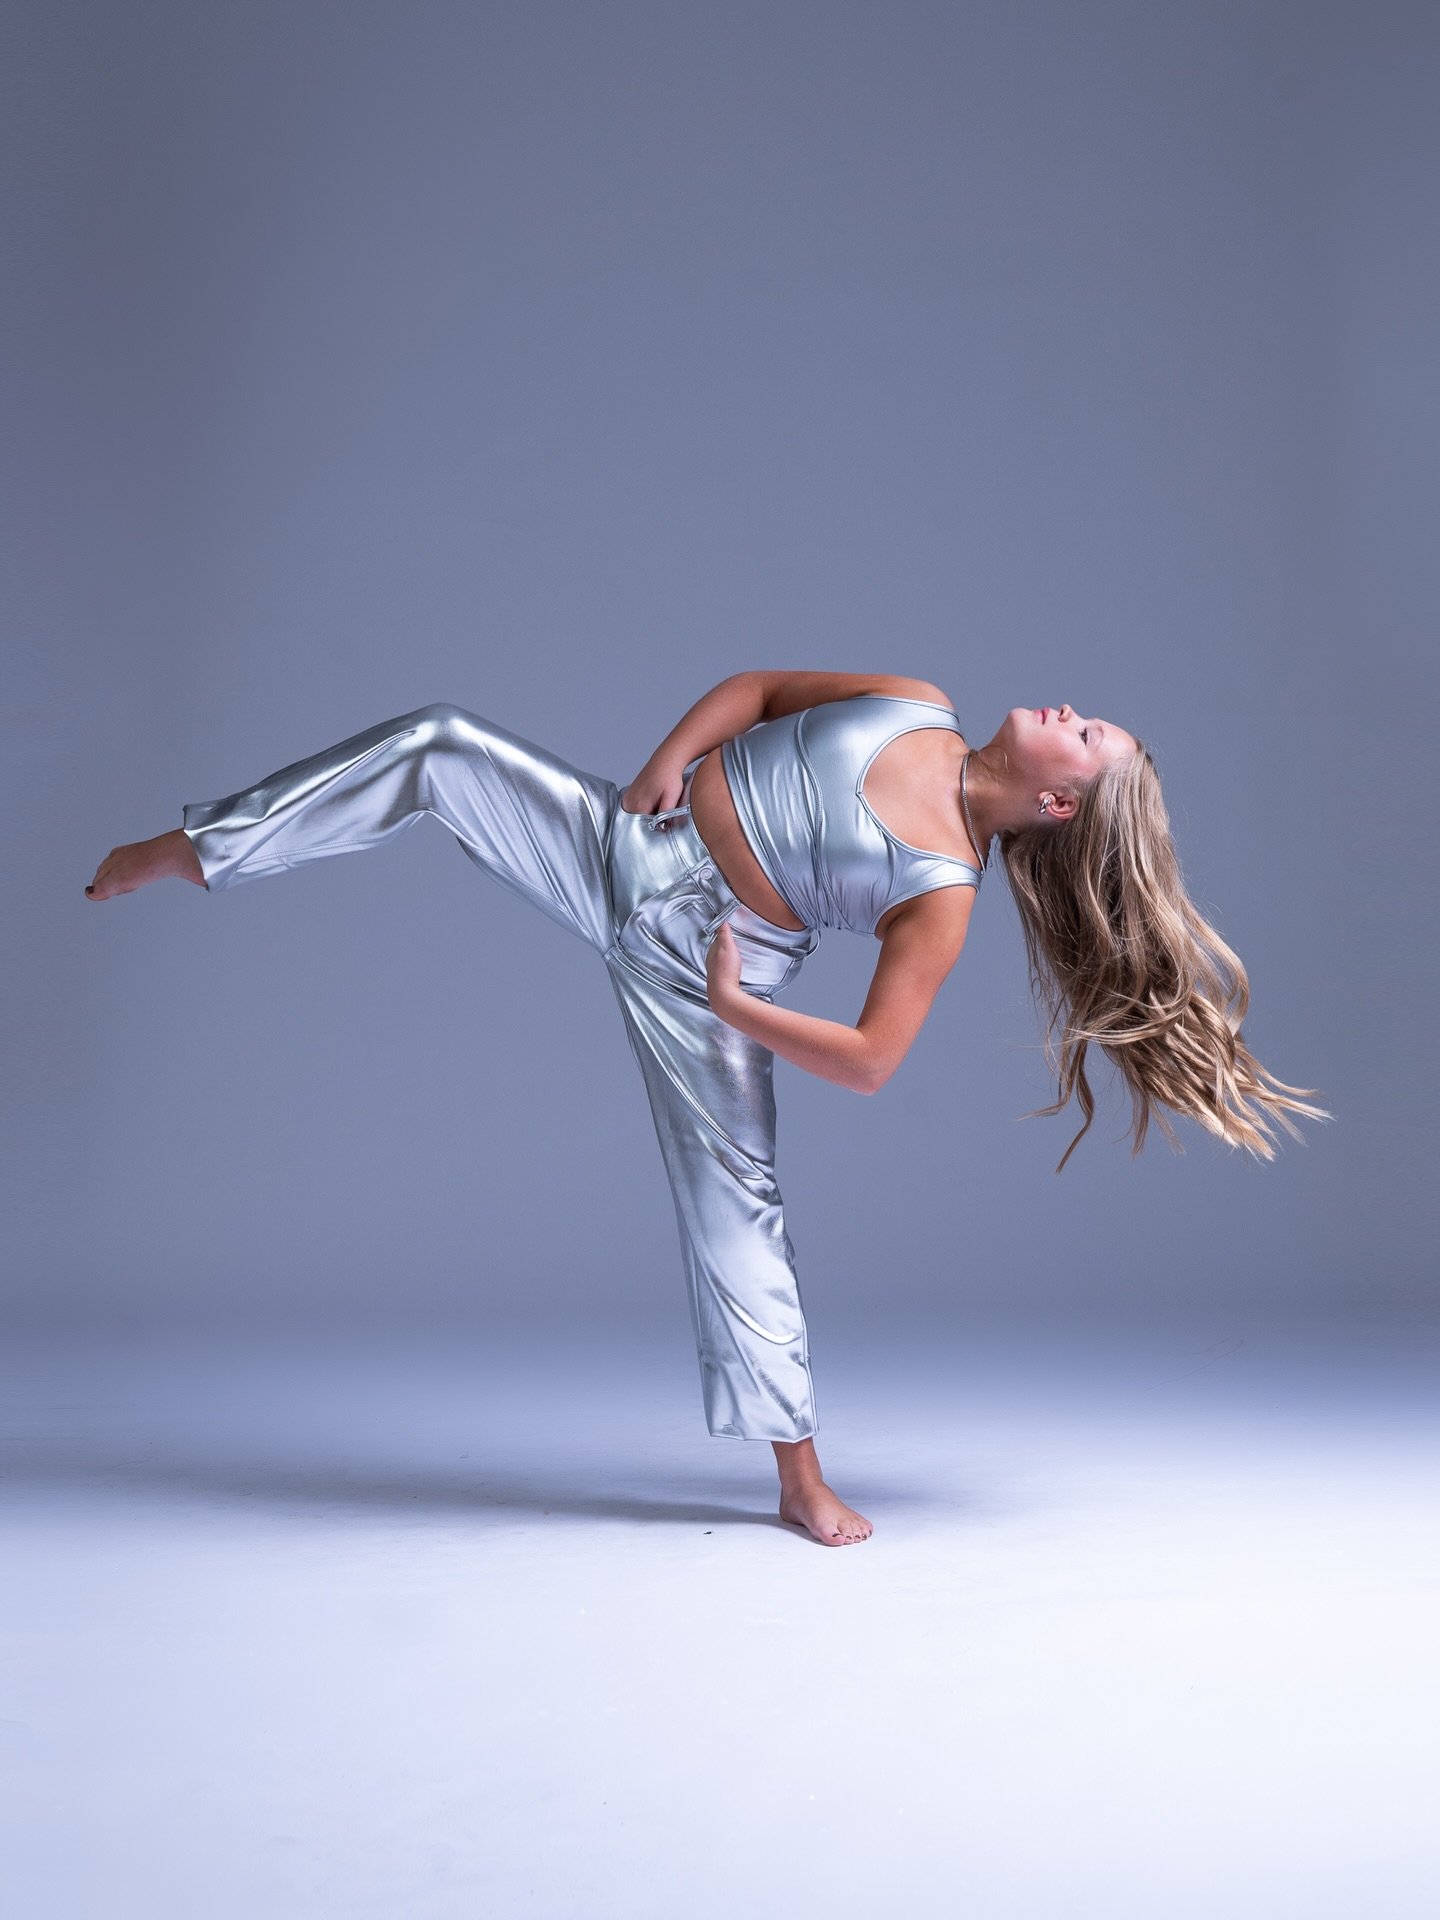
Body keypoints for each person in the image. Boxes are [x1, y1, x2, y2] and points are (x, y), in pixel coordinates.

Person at [84, 670, 1327, 1547]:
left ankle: (798, 1478)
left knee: (739, 1208)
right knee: (438, 742)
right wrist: (664, 763)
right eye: (1089, 715)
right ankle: (199, 848)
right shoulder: (913, 701)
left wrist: (739, 1009)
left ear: (1060, 803)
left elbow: (871, 1059)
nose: (1072, 710)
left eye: (1088, 736)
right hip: (619, 849)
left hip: (708, 974)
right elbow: (756, 689)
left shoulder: (940, 890)